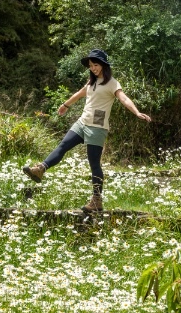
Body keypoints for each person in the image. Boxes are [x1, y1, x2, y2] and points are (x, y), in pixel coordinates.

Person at [22, 49, 151, 212]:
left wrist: (137, 112)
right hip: (82, 122)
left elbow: (124, 98)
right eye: (91, 66)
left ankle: (97, 200)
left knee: (94, 163)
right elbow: (80, 94)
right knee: (63, 146)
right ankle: (40, 169)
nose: (93, 68)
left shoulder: (112, 83)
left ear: (103, 65)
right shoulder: (91, 82)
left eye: (96, 65)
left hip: (97, 127)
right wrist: (65, 105)